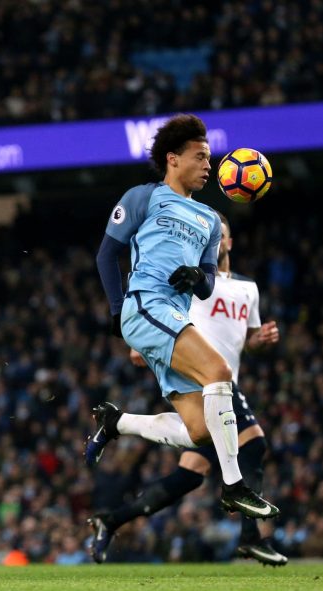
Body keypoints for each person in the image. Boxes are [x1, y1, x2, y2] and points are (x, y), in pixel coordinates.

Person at [91, 113, 278, 521]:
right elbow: (107, 254)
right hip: (145, 306)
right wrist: (117, 308)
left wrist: (197, 276)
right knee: (219, 370)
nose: (209, 165)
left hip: (174, 313)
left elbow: (209, 284)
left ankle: (117, 422)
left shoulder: (211, 221)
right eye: (201, 156)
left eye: (210, 158)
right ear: (173, 158)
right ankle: (235, 487)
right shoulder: (144, 197)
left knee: (200, 432)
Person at [87, 212, 287, 565]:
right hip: (202, 380)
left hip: (225, 390)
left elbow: (246, 341)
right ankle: (252, 537)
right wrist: (145, 344)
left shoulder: (247, 288)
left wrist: (261, 340)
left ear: (229, 242)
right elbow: (164, 320)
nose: (218, 239)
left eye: (223, 234)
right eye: (214, 234)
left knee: (188, 476)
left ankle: (111, 518)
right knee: (254, 442)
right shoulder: (193, 286)